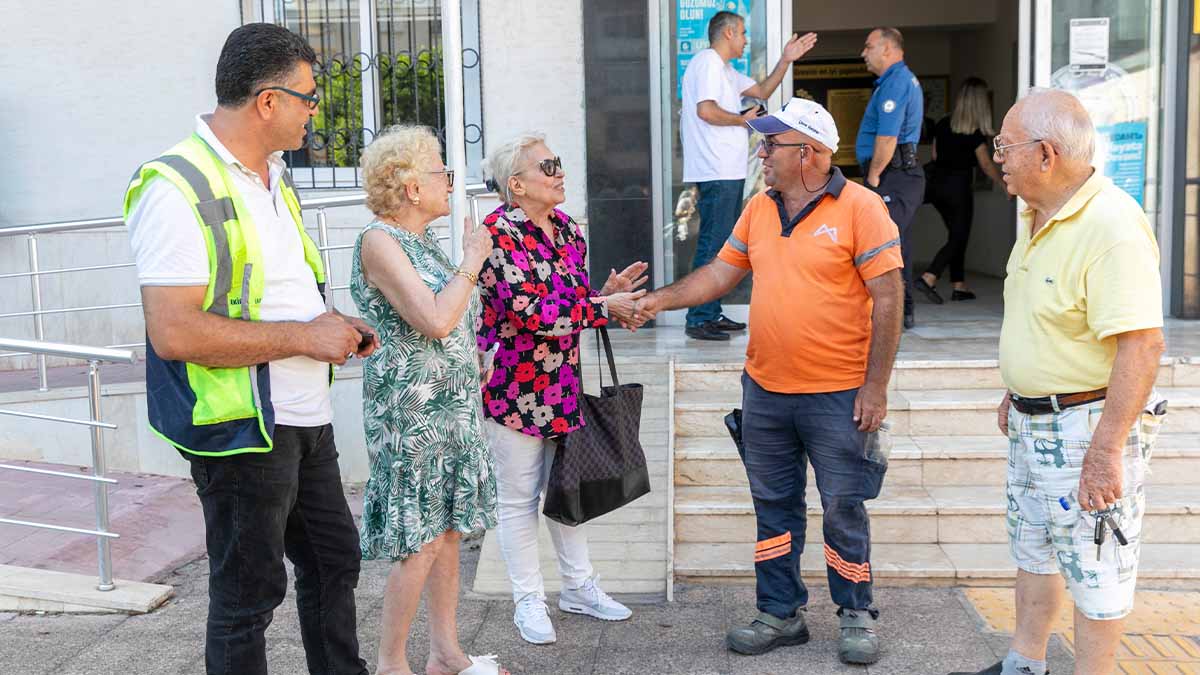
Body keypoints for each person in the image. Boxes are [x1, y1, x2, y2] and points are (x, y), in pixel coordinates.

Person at [123, 23, 373, 675]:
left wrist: (334, 324)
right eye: (309, 97)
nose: (315, 110)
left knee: (333, 560)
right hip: (241, 427)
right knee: (247, 598)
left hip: (303, 414)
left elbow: (274, 292)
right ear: (268, 101)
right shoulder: (176, 186)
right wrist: (305, 336)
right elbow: (174, 331)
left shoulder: (272, 177)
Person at [633, 99, 904, 666]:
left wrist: (875, 387)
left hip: (838, 395)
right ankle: (780, 612)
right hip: (766, 392)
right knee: (773, 507)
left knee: (843, 507)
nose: (761, 152)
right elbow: (718, 274)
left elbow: (889, 298)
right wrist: (656, 301)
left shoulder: (862, 208)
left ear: (807, 153)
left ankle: (855, 612)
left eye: (771, 144)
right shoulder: (759, 208)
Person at [949, 89, 1166, 675]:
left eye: (1005, 148)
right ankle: (1025, 663)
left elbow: (1142, 346)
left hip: (1087, 427)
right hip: (1032, 420)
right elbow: (1040, 317)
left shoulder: (1111, 225)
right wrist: (1018, 384)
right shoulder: (1036, 214)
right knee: (1035, 551)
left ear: (1046, 154)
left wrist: (1107, 450)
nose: (999, 160)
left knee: (1097, 570)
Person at [476, 133, 646, 645]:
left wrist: (604, 296)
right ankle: (528, 600)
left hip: (561, 383)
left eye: (558, 161)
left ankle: (579, 587)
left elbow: (567, 302)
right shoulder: (497, 234)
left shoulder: (569, 229)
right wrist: (602, 308)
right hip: (512, 387)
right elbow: (529, 311)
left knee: (567, 487)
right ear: (517, 184)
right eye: (547, 165)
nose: (559, 171)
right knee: (518, 499)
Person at [351, 125, 507, 675]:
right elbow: (436, 320)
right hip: (412, 413)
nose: (449, 179)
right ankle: (391, 664)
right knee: (418, 539)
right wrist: (473, 259)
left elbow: (453, 316)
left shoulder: (421, 242)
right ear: (412, 187)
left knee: (445, 533)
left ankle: (446, 652)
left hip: (453, 406)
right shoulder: (380, 241)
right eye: (441, 169)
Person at [679, 10, 817, 340]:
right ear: (727, 33)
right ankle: (699, 317)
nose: (745, 41)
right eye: (742, 34)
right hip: (715, 168)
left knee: (720, 242)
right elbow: (706, 110)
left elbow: (763, 91)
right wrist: (744, 119)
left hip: (725, 168)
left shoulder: (725, 70)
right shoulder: (708, 62)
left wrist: (786, 59)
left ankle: (709, 311)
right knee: (713, 243)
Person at [915, 77, 1006, 304]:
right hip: (958, 187)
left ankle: (959, 285)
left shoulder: (943, 124)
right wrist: (1004, 184)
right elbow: (986, 164)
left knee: (956, 235)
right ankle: (929, 276)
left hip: (936, 186)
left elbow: (935, 156)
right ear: (980, 103)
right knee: (959, 236)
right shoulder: (974, 132)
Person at [856, 26, 924, 329]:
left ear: (887, 49)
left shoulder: (896, 81)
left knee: (882, 244)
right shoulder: (892, 81)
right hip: (895, 174)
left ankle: (889, 314)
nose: (863, 53)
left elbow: (887, 137)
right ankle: (901, 311)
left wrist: (872, 178)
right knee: (897, 244)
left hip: (892, 174)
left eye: (869, 46)